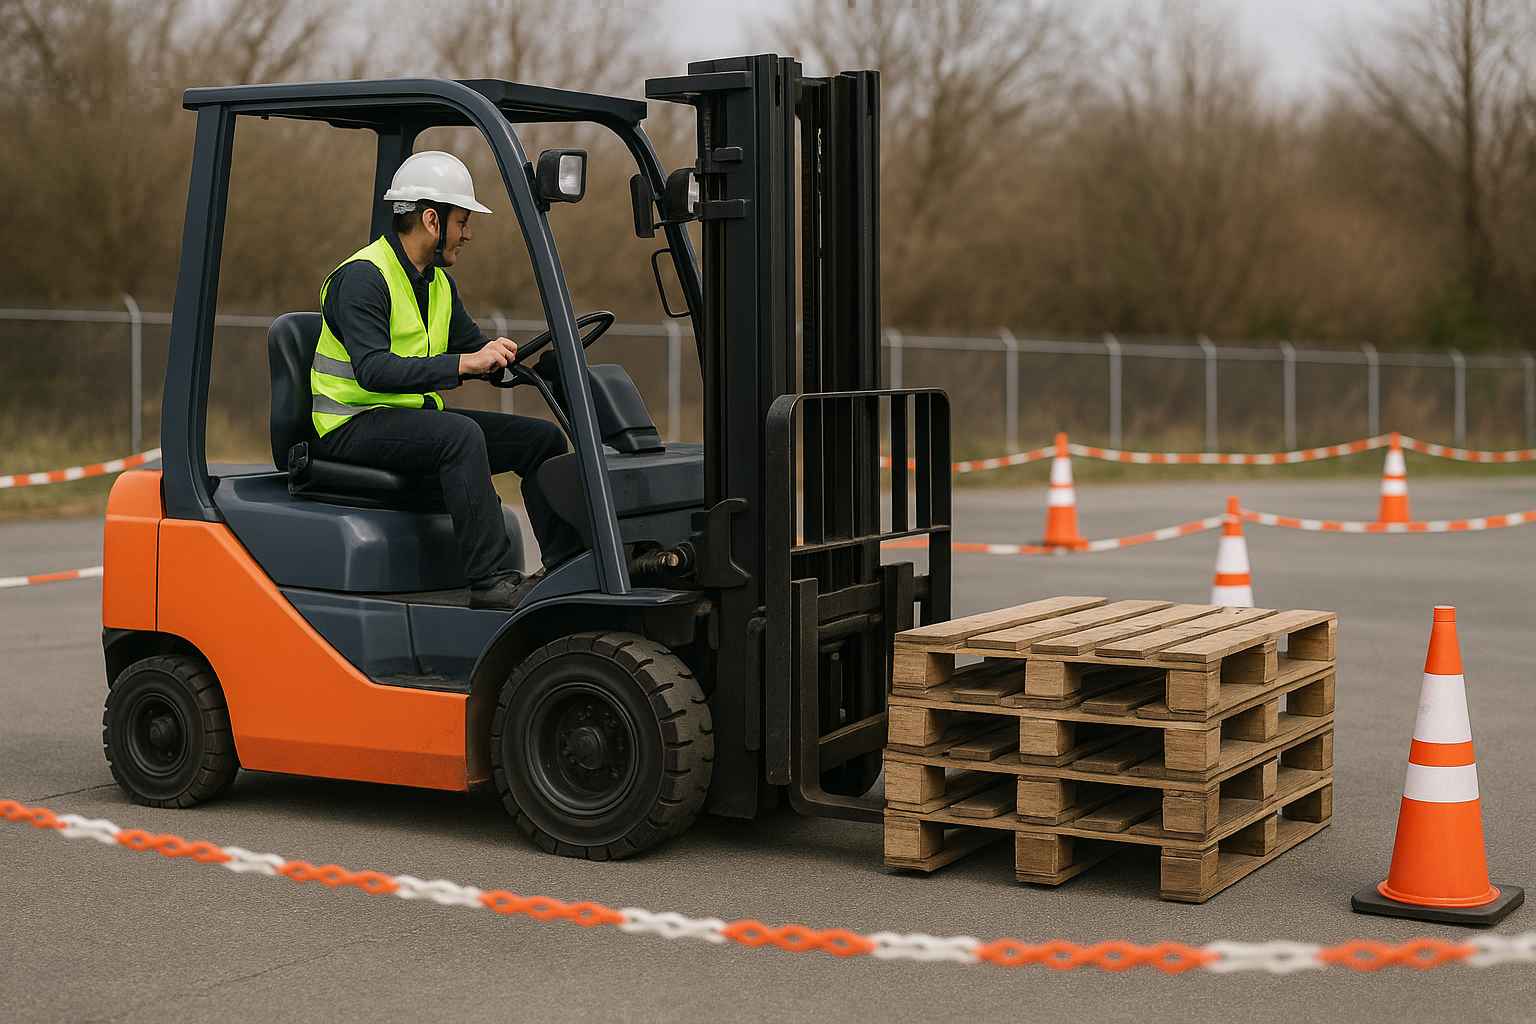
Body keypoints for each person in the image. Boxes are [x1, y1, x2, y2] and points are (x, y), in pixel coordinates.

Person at [309, 150, 582, 608]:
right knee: (460, 435)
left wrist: (523, 366)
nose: (468, 234)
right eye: (463, 221)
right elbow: (373, 371)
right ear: (432, 220)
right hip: (349, 425)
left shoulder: (436, 284)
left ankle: (567, 564)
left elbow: (475, 350)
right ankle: (492, 581)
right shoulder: (363, 279)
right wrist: (464, 364)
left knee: (542, 440)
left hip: (407, 421)